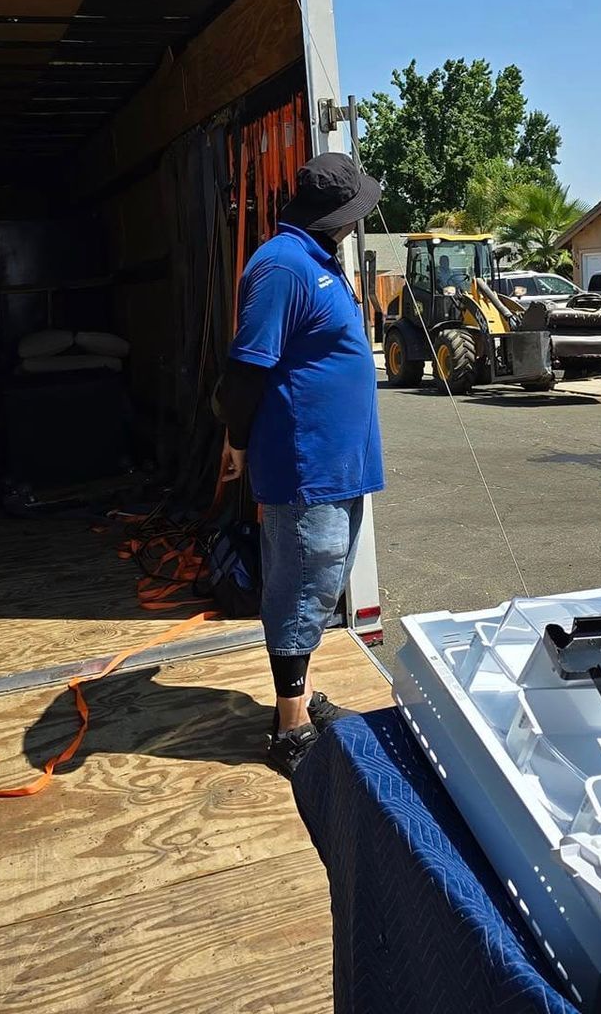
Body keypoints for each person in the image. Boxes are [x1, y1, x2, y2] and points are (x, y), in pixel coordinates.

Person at [217, 151, 385, 776]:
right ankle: (289, 728)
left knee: (324, 583)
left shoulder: (320, 261)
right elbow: (244, 373)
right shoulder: (282, 267)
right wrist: (236, 439)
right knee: (299, 585)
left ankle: (304, 701)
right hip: (304, 466)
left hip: (342, 464)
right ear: (336, 216)